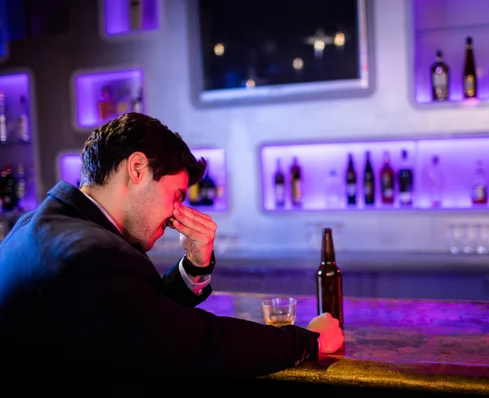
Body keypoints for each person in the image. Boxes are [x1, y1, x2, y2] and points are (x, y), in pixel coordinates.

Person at [0, 113, 344, 382]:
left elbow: (137, 317)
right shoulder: (96, 254)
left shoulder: (32, 226)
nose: (175, 213)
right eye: (176, 195)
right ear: (137, 169)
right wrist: (308, 341)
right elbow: (201, 344)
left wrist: (195, 266)